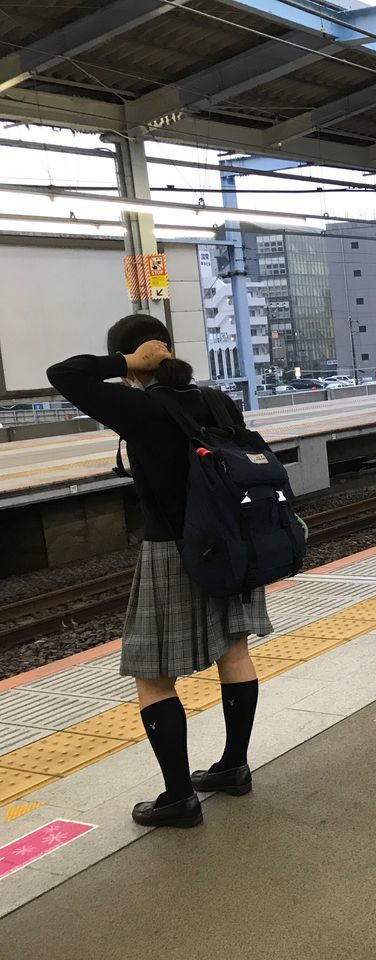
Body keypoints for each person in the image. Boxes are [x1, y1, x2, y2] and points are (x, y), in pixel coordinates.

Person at [47, 315, 270, 828]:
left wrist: (128, 361)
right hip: (234, 543)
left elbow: (64, 373)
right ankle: (234, 768)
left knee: (153, 675)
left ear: (134, 362)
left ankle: (178, 799)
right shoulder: (216, 399)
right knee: (234, 649)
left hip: (173, 551)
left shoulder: (139, 406)